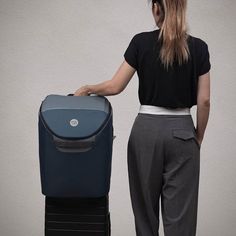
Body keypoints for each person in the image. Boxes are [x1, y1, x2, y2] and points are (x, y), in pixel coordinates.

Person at [74, 0, 211, 235]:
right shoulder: (199, 47)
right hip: (183, 132)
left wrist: (87, 88)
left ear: (156, 8)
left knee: (145, 214)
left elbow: (115, 86)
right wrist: (197, 137)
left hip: (145, 132)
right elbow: (205, 101)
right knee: (181, 218)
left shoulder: (141, 42)